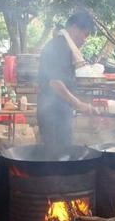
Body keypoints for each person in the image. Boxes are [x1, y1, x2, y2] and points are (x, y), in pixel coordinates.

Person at [37, 11, 98, 146]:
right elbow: (55, 82)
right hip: (52, 112)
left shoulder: (64, 46)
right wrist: (79, 104)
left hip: (59, 110)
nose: (85, 39)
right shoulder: (59, 46)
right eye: (85, 34)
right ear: (75, 28)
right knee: (56, 156)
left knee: (62, 154)